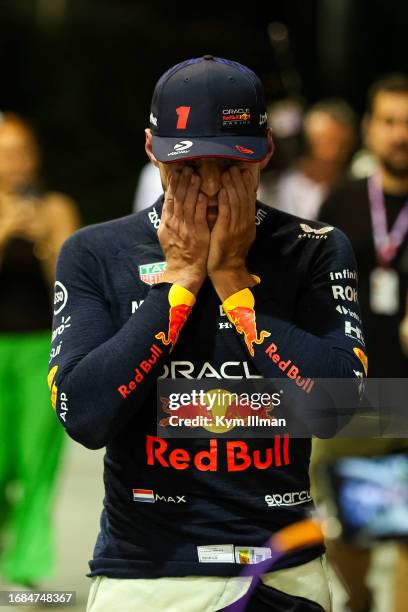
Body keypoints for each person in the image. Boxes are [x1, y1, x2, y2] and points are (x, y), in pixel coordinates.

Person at [48, 55, 366, 612]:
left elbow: (338, 408)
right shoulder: (94, 252)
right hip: (147, 575)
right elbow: (85, 416)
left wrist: (235, 285)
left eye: (233, 164)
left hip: (283, 570)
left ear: (266, 150)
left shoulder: (315, 247)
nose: (212, 185)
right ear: (152, 150)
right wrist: (181, 284)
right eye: (189, 166)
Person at [313, 74, 408, 612]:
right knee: (347, 527)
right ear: (370, 129)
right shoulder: (343, 201)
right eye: (390, 122)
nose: (400, 135)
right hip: (359, 397)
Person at [0, 112, 80, 587]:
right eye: (6, 153)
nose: (16, 163)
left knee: (37, 461)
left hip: (41, 349)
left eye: (22, 152)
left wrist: (46, 243)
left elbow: (74, 291)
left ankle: (28, 561)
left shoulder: (56, 208)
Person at [259, 99, 356, 220]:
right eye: (326, 141)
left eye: (343, 144)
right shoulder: (272, 189)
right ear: (308, 141)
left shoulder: (355, 191)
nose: (335, 152)